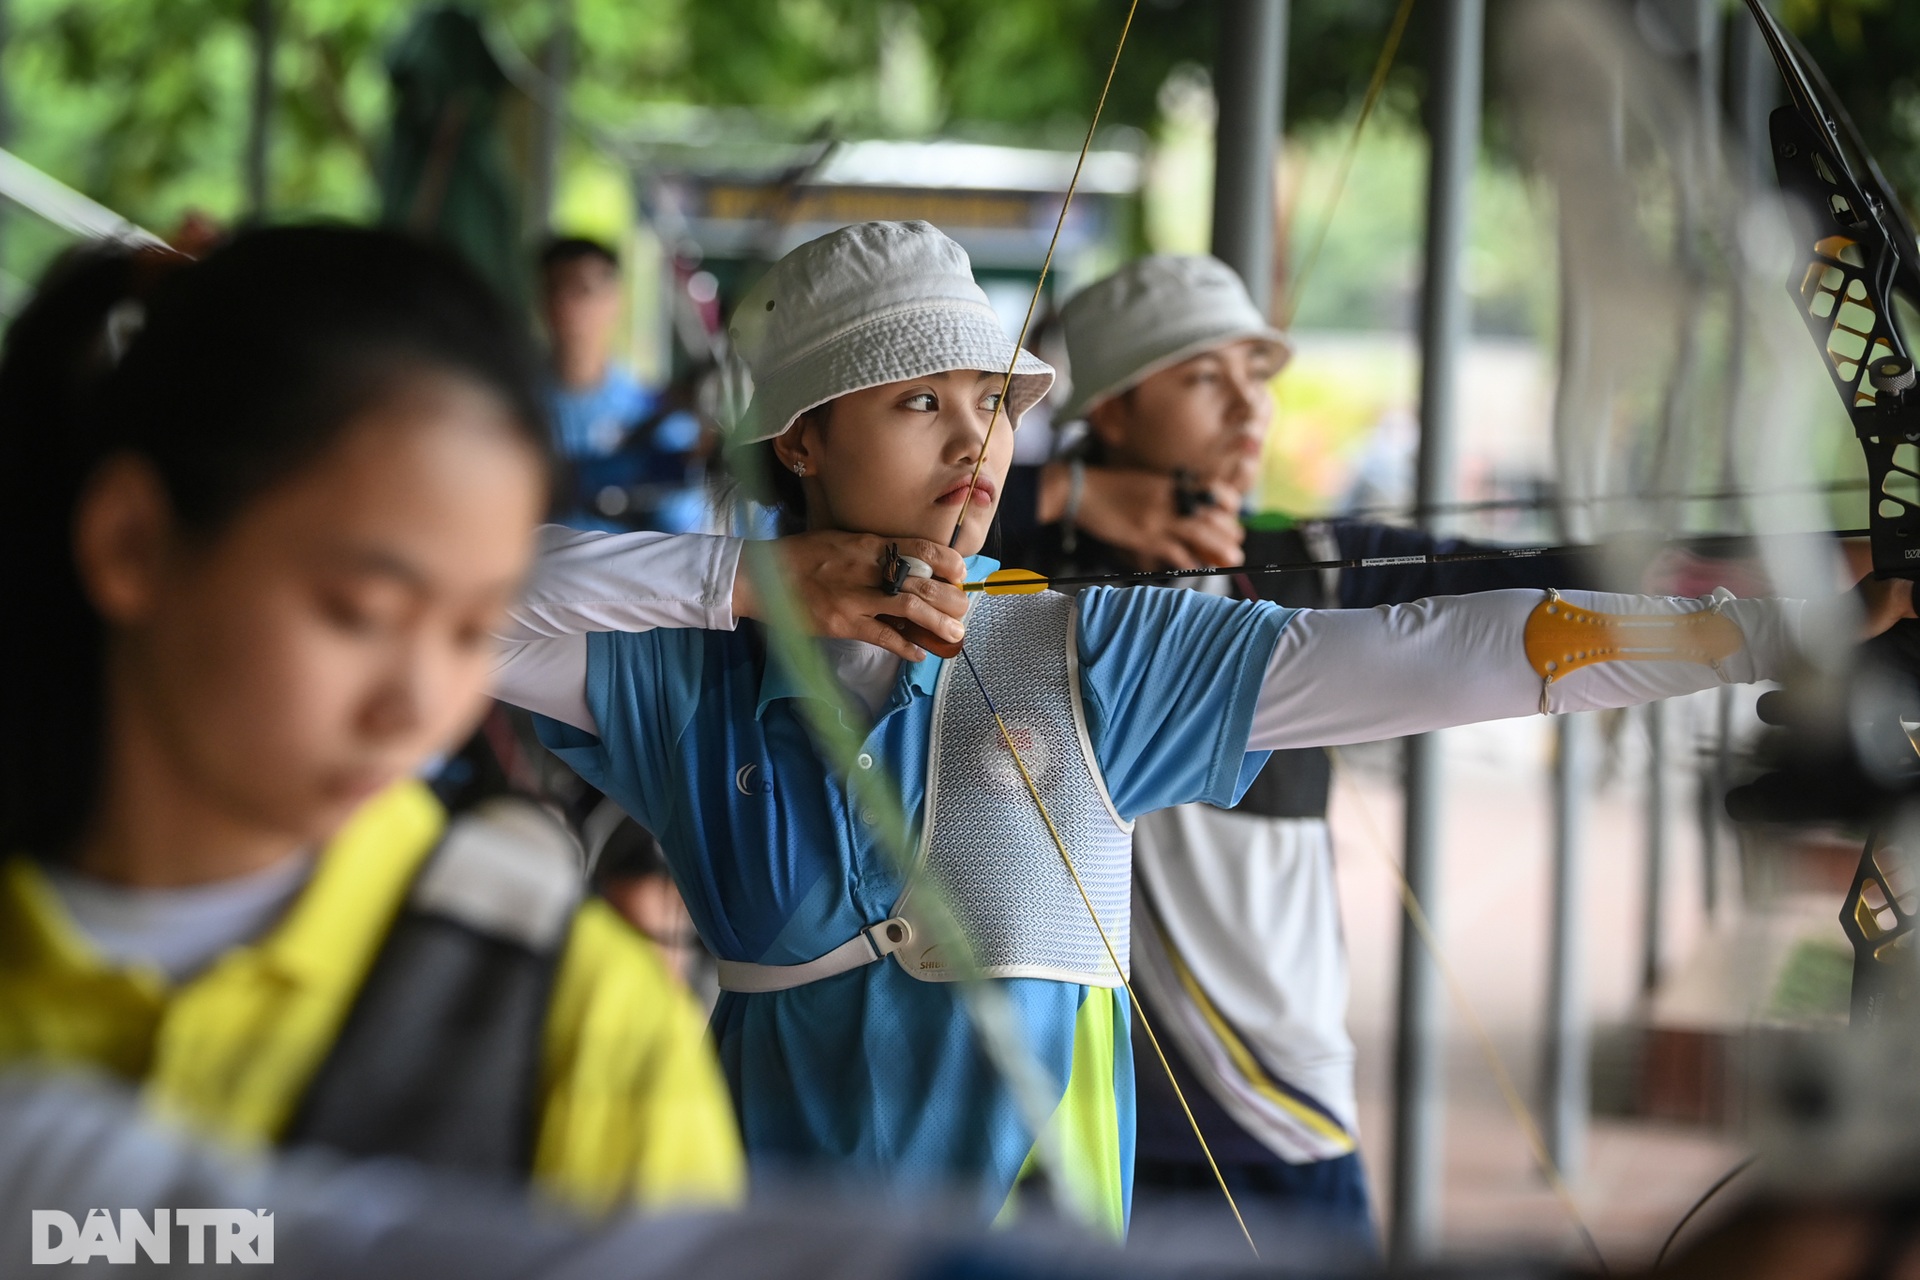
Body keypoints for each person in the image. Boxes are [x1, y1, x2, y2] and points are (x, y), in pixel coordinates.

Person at [489, 218, 1889, 1235]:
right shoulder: (689, 677)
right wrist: (754, 581)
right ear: (799, 438)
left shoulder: (1086, 648)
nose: (977, 444)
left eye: (992, 402)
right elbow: (465, 593)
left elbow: (1444, 648)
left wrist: (1780, 634)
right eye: (920, 401)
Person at [0, 227, 749, 1216]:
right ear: (131, 542)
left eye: (475, 630)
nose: (419, 710)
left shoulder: (577, 1017)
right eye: (360, 613)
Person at [996, 254, 1737, 1250]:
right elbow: (828, 531)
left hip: (1271, 1107)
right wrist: (1066, 493)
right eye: (1205, 378)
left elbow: (1538, 579)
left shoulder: (1299, 566)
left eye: (1258, 376)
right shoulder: (1008, 580)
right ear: (1113, 411)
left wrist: (1815, 577)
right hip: (1064, 1113)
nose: (1249, 408)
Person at [538, 236, 705, 532]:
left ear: (615, 300)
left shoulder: (652, 412)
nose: (566, 305)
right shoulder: (508, 404)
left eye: (583, 290)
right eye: (555, 289)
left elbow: (683, 525)